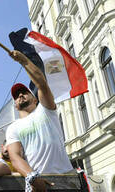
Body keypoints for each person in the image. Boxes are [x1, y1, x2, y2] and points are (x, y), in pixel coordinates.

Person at [6, 50, 74, 191]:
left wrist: (24, 61)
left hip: (67, 178)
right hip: (39, 182)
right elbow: (15, 156)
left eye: (24, 92)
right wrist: (32, 176)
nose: (20, 95)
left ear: (35, 98)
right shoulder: (13, 128)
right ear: (15, 105)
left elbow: (42, 84)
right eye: (17, 95)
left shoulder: (46, 110)